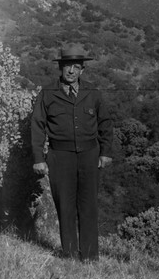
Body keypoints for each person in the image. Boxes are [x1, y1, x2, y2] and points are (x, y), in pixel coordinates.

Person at [31, 45, 113, 261]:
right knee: (64, 205)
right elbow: (37, 125)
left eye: (76, 67)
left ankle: (89, 256)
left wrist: (105, 153)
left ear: (82, 70)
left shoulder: (93, 93)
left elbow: (105, 123)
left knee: (88, 205)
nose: (71, 72)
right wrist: (39, 158)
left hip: (89, 155)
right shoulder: (47, 94)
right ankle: (69, 254)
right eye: (68, 66)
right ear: (60, 68)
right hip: (60, 156)